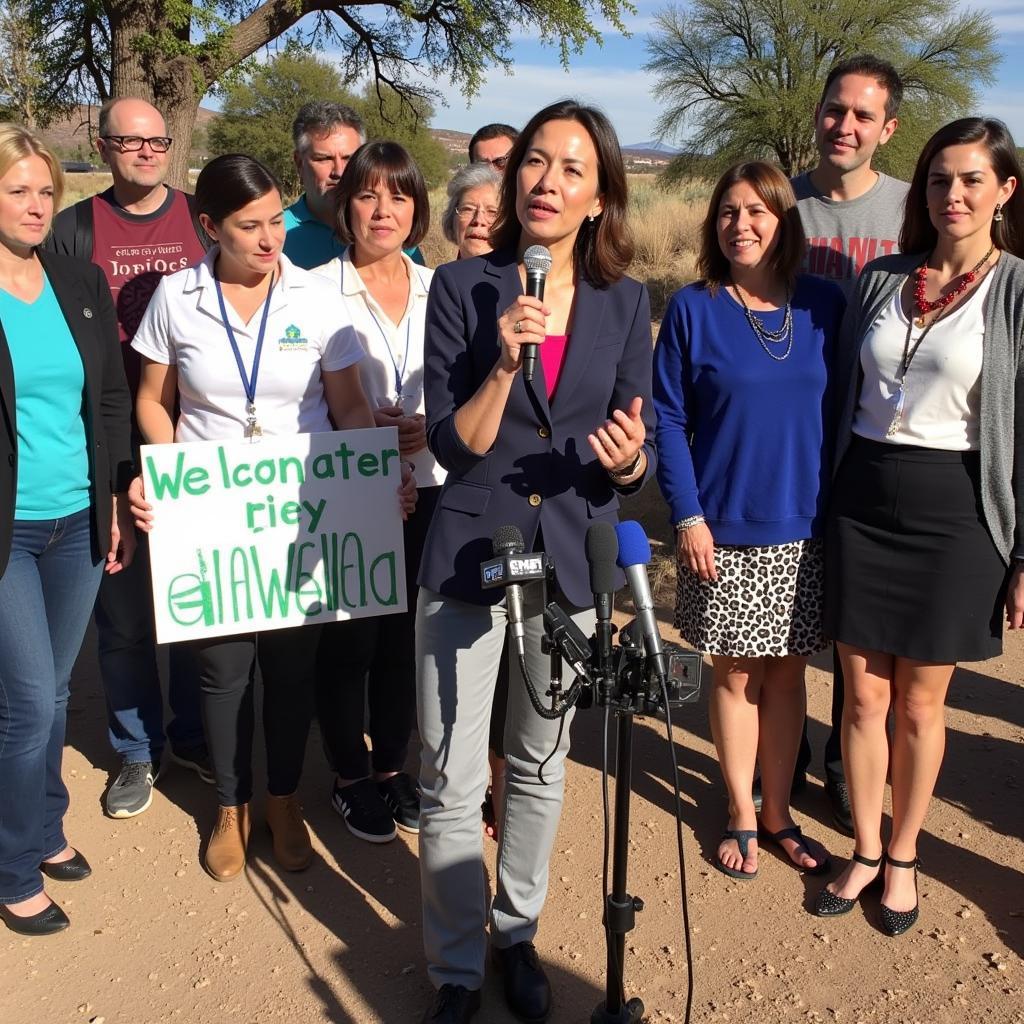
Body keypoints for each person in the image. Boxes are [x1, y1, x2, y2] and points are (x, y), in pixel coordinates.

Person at [417, 99, 656, 1024]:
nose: (548, 181)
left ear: (600, 199)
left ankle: (515, 936)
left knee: (540, 762)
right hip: (469, 552)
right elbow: (455, 445)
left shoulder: (625, 301)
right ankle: (453, 969)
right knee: (448, 773)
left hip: (568, 561)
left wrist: (629, 459)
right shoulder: (463, 288)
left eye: (572, 169)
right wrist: (506, 364)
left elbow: (629, 450)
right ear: (514, 180)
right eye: (536, 164)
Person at [129, 153, 415, 882]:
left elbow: (348, 404)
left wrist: (380, 474)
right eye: (247, 227)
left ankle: (283, 801)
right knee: (223, 674)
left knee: (291, 671)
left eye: (273, 223)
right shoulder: (176, 296)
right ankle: (232, 807)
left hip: (305, 515)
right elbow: (153, 401)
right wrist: (164, 475)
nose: (268, 240)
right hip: (211, 515)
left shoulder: (318, 301)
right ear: (208, 226)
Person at [815, 117, 1024, 935]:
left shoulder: (1017, 290)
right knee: (861, 698)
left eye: (973, 179)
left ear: (1005, 191)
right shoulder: (882, 281)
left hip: (957, 511)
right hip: (861, 496)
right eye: (940, 180)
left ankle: (903, 855)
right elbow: (838, 394)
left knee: (917, 706)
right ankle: (864, 846)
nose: (954, 195)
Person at [653, 161, 844, 883]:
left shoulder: (823, 305)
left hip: (806, 522)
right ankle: (739, 808)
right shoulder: (694, 308)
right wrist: (689, 516)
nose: (741, 224)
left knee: (788, 676)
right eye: (728, 212)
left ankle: (778, 814)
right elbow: (668, 420)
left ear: (784, 221)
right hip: (723, 526)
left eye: (758, 211)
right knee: (733, 677)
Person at [45, 96, 210, 820]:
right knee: (124, 610)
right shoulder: (73, 231)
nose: (145, 153)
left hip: (201, 442)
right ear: (104, 147)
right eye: (128, 142)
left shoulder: (203, 218)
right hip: (109, 444)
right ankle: (139, 749)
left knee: (204, 603)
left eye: (156, 142)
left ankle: (199, 735)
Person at [0, 124, 135, 935]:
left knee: (51, 692)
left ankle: (45, 828)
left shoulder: (76, 279)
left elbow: (110, 400)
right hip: (8, 531)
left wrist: (116, 496)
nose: (36, 205)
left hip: (79, 515)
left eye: (47, 191)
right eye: (18, 190)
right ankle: (14, 865)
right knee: (23, 699)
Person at [788, 54, 909, 834]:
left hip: (872, 436)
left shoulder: (910, 212)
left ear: (887, 129)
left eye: (864, 115)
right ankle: (782, 749)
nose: (846, 125)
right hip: (793, 432)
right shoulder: (780, 203)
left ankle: (842, 764)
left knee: (856, 614)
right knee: (793, 591)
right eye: (836, 110)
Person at [311, 141, 441, 843]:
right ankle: (348, 776)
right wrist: (357, 433)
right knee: (350, 642)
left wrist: (433, 427)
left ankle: (392, 766)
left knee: (404, 640)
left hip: (430, 486)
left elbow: (461, 382)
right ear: (345, 206)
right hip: (352, 494)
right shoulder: (311, 290)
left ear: (418, 208)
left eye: (398, 195)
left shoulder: (438, 288)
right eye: (367, 195)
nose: (382, 210)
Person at [439, 160, 507, 839]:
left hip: (496, 505)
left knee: (510, 667)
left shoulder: (527, 295)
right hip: (427, 492)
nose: (480, 220)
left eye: (492, 210)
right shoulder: (444, 289)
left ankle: (500, 780)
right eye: (468, 210)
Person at [283, 101, 425, 269]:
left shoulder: (389, 233)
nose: (339, 171)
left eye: (348, 158)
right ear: (299, 163)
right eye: (324, 159)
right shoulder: (277, 234)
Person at [441, 162, 501, 261]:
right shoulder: (441, 275)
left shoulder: (521, 275)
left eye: (492, 212)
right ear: (452, 221)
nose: (478, 220)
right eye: (468, 209)